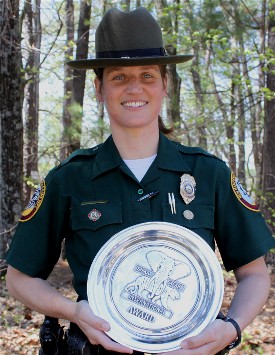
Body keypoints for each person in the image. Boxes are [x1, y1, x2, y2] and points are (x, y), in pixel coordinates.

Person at [5, 6, 274, 355]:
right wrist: (73, 311)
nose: (134, 88)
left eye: (148, 75)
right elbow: (19, 278)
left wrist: (231, 329)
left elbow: (254, 274)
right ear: (100, 88)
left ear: (165, 85)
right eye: (119, 76)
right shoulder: (69, 179)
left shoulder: (209, 174)